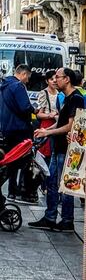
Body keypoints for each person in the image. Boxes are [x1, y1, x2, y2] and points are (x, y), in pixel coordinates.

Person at [28, 68, 85, 232]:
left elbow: (71, 126)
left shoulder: (77, 98)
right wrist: (46, 132)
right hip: (57, 147)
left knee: (64, 185)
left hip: (66, 149)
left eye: (57, 77)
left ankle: (67, 220)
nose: (55, 80)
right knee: (52, 182)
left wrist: (49, 132)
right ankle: (50, 217)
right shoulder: (66, 98)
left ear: (67, 79)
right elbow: (60, 121)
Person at [0, 64, 34, 202]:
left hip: (6, 128)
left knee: (9, 160)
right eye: (28, 78)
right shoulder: (18, 86)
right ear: (24, 74)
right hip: (19, 129)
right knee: (22, 160)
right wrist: (34, 110)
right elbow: (25, 107)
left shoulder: (4, 85)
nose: (27, 81)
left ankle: (11, 192)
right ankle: (21, 191)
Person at [36, 70, 58, 163]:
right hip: (47, 124)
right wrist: (50, 115)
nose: (54, 81)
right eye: (51, 79)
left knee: (55, 152)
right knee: (46, 154)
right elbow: (39, 114)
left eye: (55, 78)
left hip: (58, 124)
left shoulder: (59, 93)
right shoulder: (44, 93)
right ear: (47, 81)